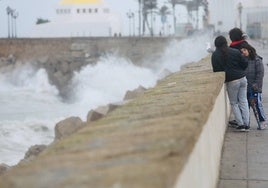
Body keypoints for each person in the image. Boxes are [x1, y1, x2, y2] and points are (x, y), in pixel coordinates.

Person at [211, 35, 250, 131]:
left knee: (234, 103)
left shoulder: (215, 55)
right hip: (242, 78)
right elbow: (245, 63)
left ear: (216, 45)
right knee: (243, 101)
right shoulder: (235, 51)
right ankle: (247, 124)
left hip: (232, 81)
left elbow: (216, 70)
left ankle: (241, 125)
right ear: (225, 43)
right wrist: (240, 71)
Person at [240, 43, 267, 129]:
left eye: (244, 50)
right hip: (245, 87)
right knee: (245, 105)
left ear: (249, 50)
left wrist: (256, 85)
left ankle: (262, 122)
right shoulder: (242, 60)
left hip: (255, 87)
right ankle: (246, 122)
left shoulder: (257, 60)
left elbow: (260, 74)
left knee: (257, 105)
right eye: (242, 51)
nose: (243, 52)